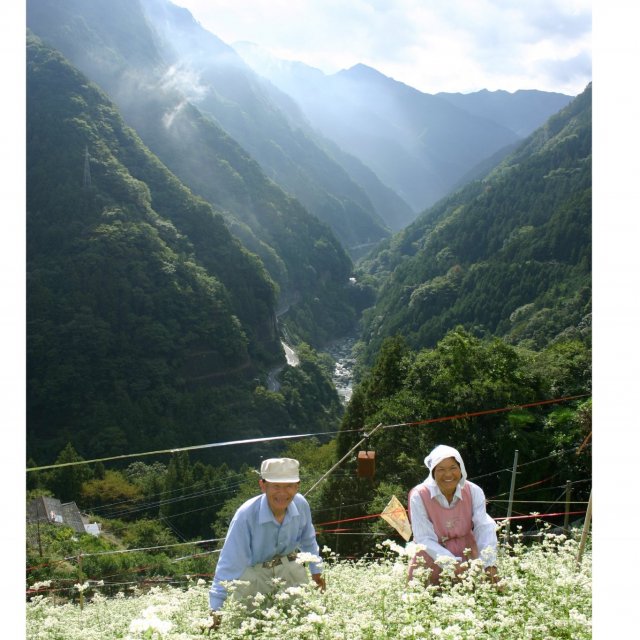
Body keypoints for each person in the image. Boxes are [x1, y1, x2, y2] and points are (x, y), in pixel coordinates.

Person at [208, 457, 326, 628]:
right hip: (254, 577)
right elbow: (230, 562)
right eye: (276, 486)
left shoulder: (301, 505)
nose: (283, 493)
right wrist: (215, 610)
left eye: (289, 486)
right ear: (263, 486)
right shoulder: (246, 515)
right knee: (252, 629)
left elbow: (308, 540)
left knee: (300, 626)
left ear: (297, 486)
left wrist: (317, 572)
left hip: (291, 572)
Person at [408, 444, 499, 586]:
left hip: (467, 553)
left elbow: (484, 527)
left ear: (461, 469)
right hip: (431, 557)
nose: (448, 474)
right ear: (432, 472)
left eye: (453, 468)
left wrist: (488, 564)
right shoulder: (419, 496)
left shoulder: (473, 491)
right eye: (441, 469)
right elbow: (423, 538)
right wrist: (452, 564)